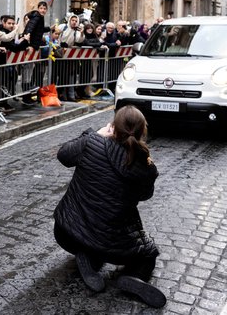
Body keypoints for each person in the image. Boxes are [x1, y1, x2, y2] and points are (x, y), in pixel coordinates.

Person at [53, 105, 166, 308]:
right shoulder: (146, 168)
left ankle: (88, 258)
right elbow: (145, 195)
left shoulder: (92, 142)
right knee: (148, 255)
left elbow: (63, 155)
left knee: (92, 243)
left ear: (113, 127)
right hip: (111, 246)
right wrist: (145, 162)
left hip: (65, 232)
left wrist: (95, 134)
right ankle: (132, 276)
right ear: (142, 133)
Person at [20, 1, 50, 105]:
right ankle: (25, 97)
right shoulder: (37, 17)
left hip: (34, 47)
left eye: (44, 8)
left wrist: (50, 28)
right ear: (38, 8)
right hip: (31, 46)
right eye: (41, 8)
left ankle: (27, 96)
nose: (43, 10)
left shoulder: (38, 17)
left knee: (28, 72)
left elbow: (39, 30)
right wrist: (27, 41)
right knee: (27, 72)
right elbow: (30, 27)